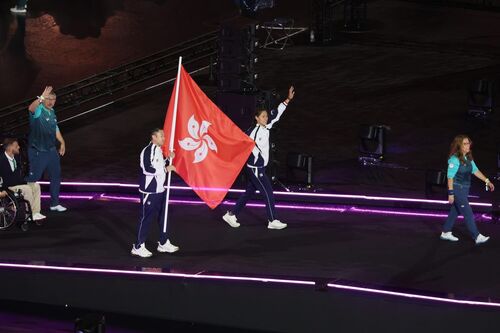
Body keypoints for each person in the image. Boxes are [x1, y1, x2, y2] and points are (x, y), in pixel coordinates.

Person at [222, 86, 295, 230]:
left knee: (250, 191)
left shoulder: (267, 125)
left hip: (259, 167)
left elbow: (278, 112)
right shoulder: (252, 132)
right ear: (256, 118)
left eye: (266, 116)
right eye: (263, 117)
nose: (266, 118)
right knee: (268, 191)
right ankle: (272, 220)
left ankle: (231, 214)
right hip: (255, 168)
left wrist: (288, 99)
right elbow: (238, 141)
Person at [131, 129, 179, 258]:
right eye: (161, 136)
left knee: (162, 217)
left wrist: (168, 159)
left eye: (164, 135)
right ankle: (138, 246)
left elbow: (158, 165)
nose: (164, 138)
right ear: (154, 137)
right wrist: (165, 168)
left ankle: (163, 243)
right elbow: (147, 169)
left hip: (159, 190)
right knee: (145, 218)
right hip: (150, 191)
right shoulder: (148, 150)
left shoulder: (158, 150)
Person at [441, 135, 494, 244]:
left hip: (464, 189)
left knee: (455, 211)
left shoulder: (468, 158)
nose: (468, 145)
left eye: (468, 143)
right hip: (457, 189)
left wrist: (487, 181)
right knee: (468, 212)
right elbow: (450, 177)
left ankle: (445, 232)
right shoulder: (454, 159)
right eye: (465, 143)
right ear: (459, 146)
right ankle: (477, 236)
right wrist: (451, 193)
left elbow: (476, 171)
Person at [27, 86, 67, 212]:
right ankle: (23, 202)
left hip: (51, 150)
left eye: (53, 99)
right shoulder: (39, 110)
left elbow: (55, 128)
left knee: (56, 175)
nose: (51, 101)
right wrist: (41, 97)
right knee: (33, 178)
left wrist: (62, 142)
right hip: (38, 150)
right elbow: (30, 108)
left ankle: (54, 203)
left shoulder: (52, 112)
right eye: (49, 99)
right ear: (44, 99)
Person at [0, 138, 45, 221]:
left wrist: (26, 181)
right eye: (16, 146)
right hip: (8, 186)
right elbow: (9, 179)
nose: (19, 147)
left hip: (17, 183)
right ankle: (30, 214)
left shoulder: (17, 158)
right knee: (27, 188)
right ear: (10, 147)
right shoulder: (1, 160)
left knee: (36, 185)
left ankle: (36, 212)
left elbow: (18, 175)